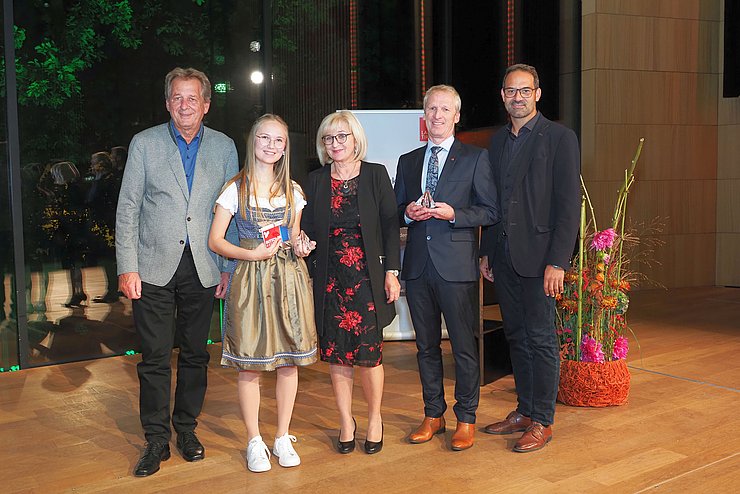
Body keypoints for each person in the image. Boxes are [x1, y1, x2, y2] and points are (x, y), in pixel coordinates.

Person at [115, 67, 239, 477]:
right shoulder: (144, 143)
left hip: (204, 268)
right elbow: (129, 207)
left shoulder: (223, 147)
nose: (185, 105)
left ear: (206, 104)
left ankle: (186, 429)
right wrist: (127, 267)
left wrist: (228, 268)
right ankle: (155, 439)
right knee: (153, 357)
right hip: (151, 268)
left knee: (196, 355)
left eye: (193, 98)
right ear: (167, 103)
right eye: (177, 98)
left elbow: (231, 212)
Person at [479, 63, 581, 453]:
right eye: (510, 90)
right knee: (516, 336)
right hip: (504, 257)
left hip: (541, 260)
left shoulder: (559, 138)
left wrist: (559, 261)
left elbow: (568, 206)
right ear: (502, 96)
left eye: (525, 90)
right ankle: (523, 409)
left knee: (541, 340)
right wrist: (487, 250)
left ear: (537, 94)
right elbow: (492, 202)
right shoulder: (498, 141)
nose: (517, 97)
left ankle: (543, 419)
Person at [208, 114, 318, 473]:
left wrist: (301, 246)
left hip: (288, 279)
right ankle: (254, 439)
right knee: (251, 362)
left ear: (286, 147)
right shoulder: (234, 189)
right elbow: (216, 240)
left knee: (289, 360)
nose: (271, 146)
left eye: (279, 141)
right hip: (251, 278)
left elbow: (292, 237)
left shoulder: (293, 191)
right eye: (265, 138)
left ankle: (282, 435)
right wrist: (251, 253)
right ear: (252, 141)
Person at [395, 85, 498, 451]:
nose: (437, 115)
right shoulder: (408, 160)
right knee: (425, 347)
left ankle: (466, 418)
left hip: (456, 268)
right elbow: (395, 210)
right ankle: (433, 414)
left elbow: (490, 210)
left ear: (456, 116)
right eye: (431, 109)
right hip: (419, 268)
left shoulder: (475, 158)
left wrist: (455, 214)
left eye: (444, 110)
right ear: (424, 116)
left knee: (463, 347)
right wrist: (408, 211)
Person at [302, 110, 401, 456]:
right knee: (338, 355)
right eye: (329, 138)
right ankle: (346, 420)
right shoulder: (315, 180)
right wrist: (302, 243)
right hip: (330, 281)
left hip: (368, 279)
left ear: (356, 139)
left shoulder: (375, 175)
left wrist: (392, 272)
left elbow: (390, 227)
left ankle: (374, 418)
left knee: (370, 356)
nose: (335, 144)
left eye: (342, 136)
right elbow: (308, 232)